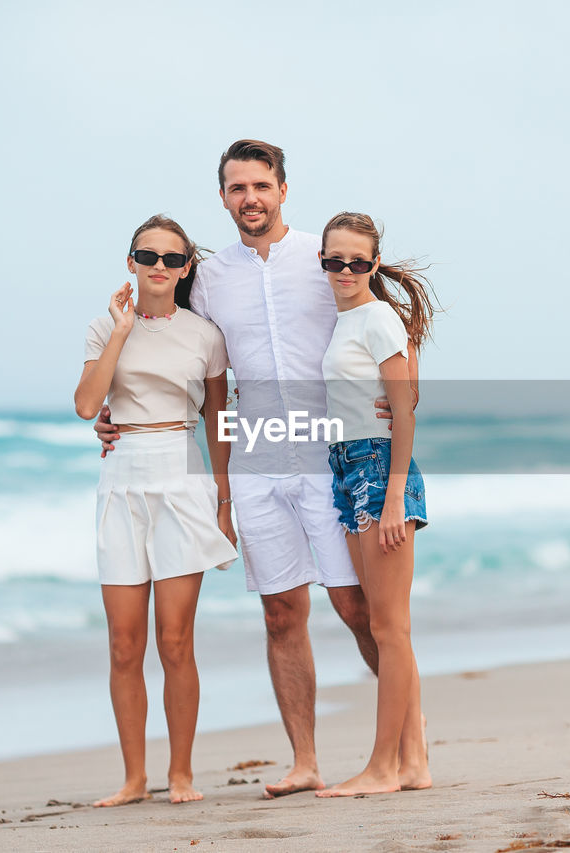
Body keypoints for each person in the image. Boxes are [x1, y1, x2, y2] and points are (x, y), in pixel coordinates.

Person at [97, 140, 425, 797]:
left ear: (282, 190)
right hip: (254, 457)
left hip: (330, 449)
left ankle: (407, 750)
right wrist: (119, 411)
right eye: (237, 187)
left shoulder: (323, 255)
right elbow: (176, 344)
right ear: (223, 197)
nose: (250, 197)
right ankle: (305, 761)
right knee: (280, 611)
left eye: (261, 185)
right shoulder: (209, 277)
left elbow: (389, 323)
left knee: (357, 606)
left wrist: (398, 400)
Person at [74, 214, 239, 807]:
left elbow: (219, 423)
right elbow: (87, 404)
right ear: (131, 262)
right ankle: (134, 778)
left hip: (181, 478)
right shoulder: (103, 327)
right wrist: (120, 330)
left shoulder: (205, 335)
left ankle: (182, 775)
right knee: (124, 644)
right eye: (149, 257)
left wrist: (224, 502)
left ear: (187, 266)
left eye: (173, 259)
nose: (160, 268)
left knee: (175, 641)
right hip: (120, 484)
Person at [315, 212, 434, 797]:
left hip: (378, 472)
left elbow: (403, 411)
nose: (345, 271)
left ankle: (383, 767)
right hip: (347, 468)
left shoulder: (377, 319)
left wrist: (391, 498)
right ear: (323, 262)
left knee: (389, 628)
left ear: (374, 265)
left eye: (357, 262)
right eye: (334, 261)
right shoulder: (348, 320)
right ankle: (413, 762)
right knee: (384, 623)